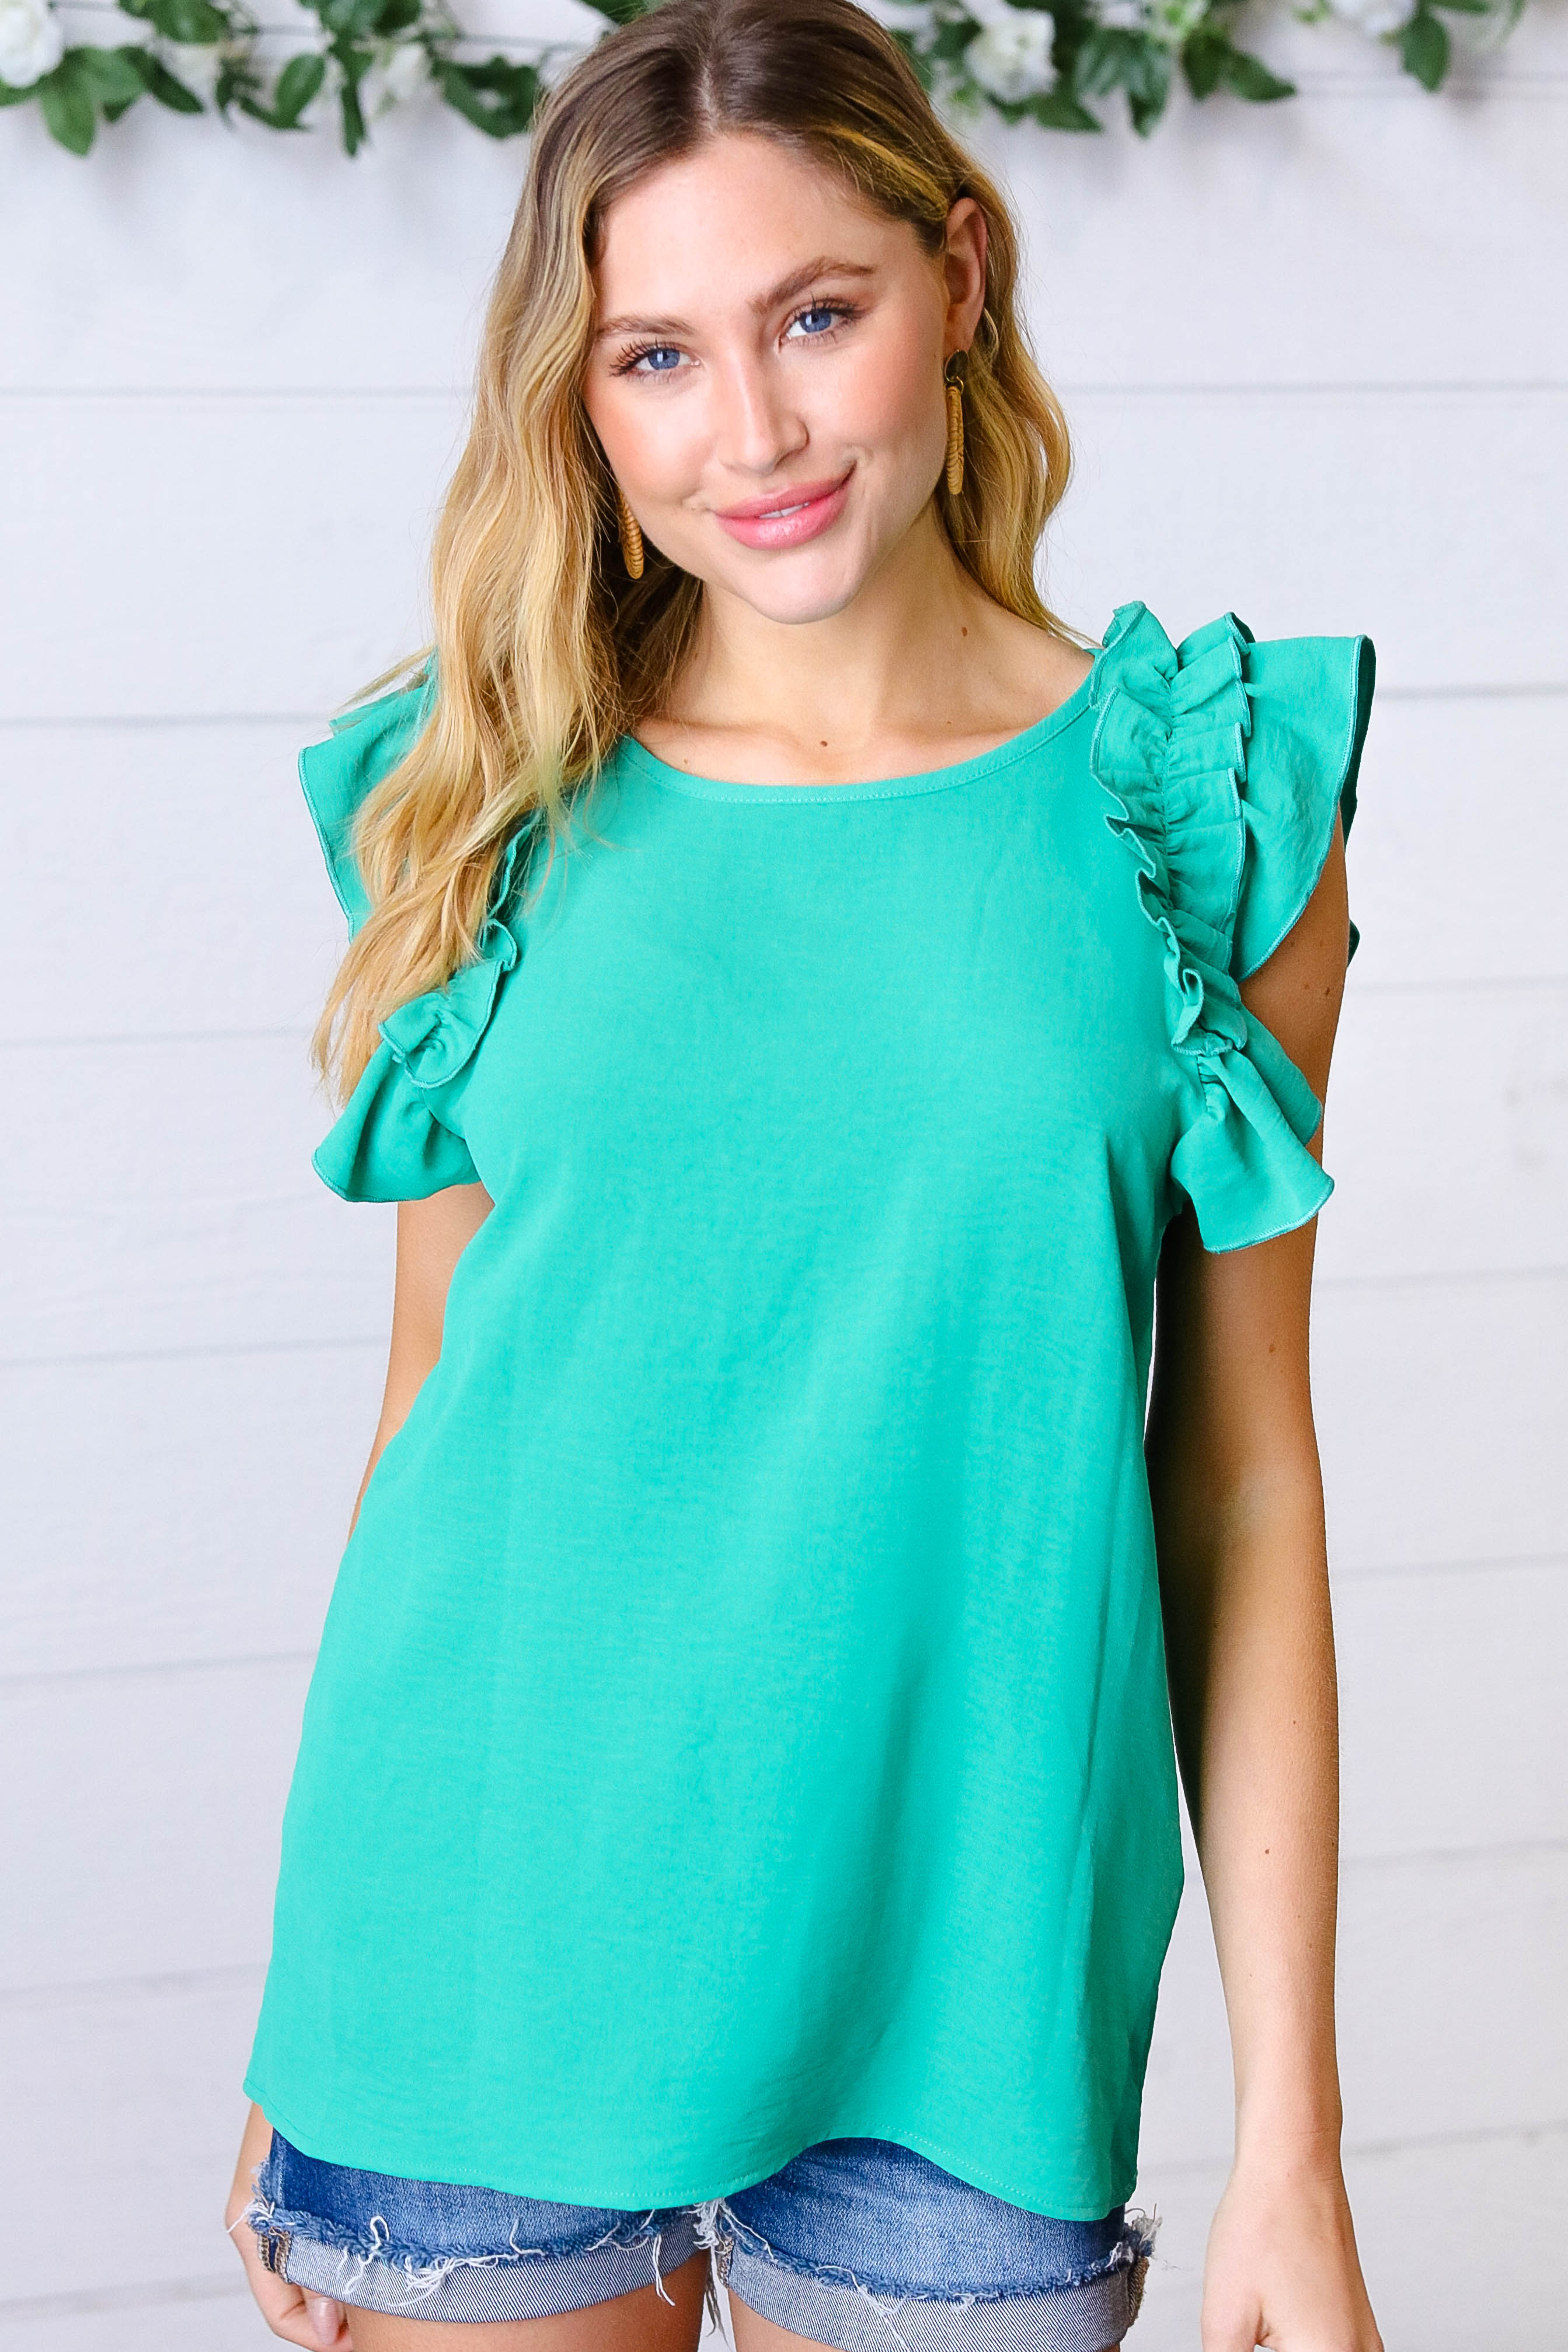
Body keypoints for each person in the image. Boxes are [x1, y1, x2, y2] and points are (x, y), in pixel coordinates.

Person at [224, 3, 1385, 2347]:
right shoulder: (481, 801)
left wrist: (1295, 2139)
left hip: (963, 2011)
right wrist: (304, 2019)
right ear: (579, 398)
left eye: (816, 317)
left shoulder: (1202, 801)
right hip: (473, 1963)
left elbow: (1242, 1481)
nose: (747, 432)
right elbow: (432, 1412)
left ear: (959, 276)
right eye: (655, 356)